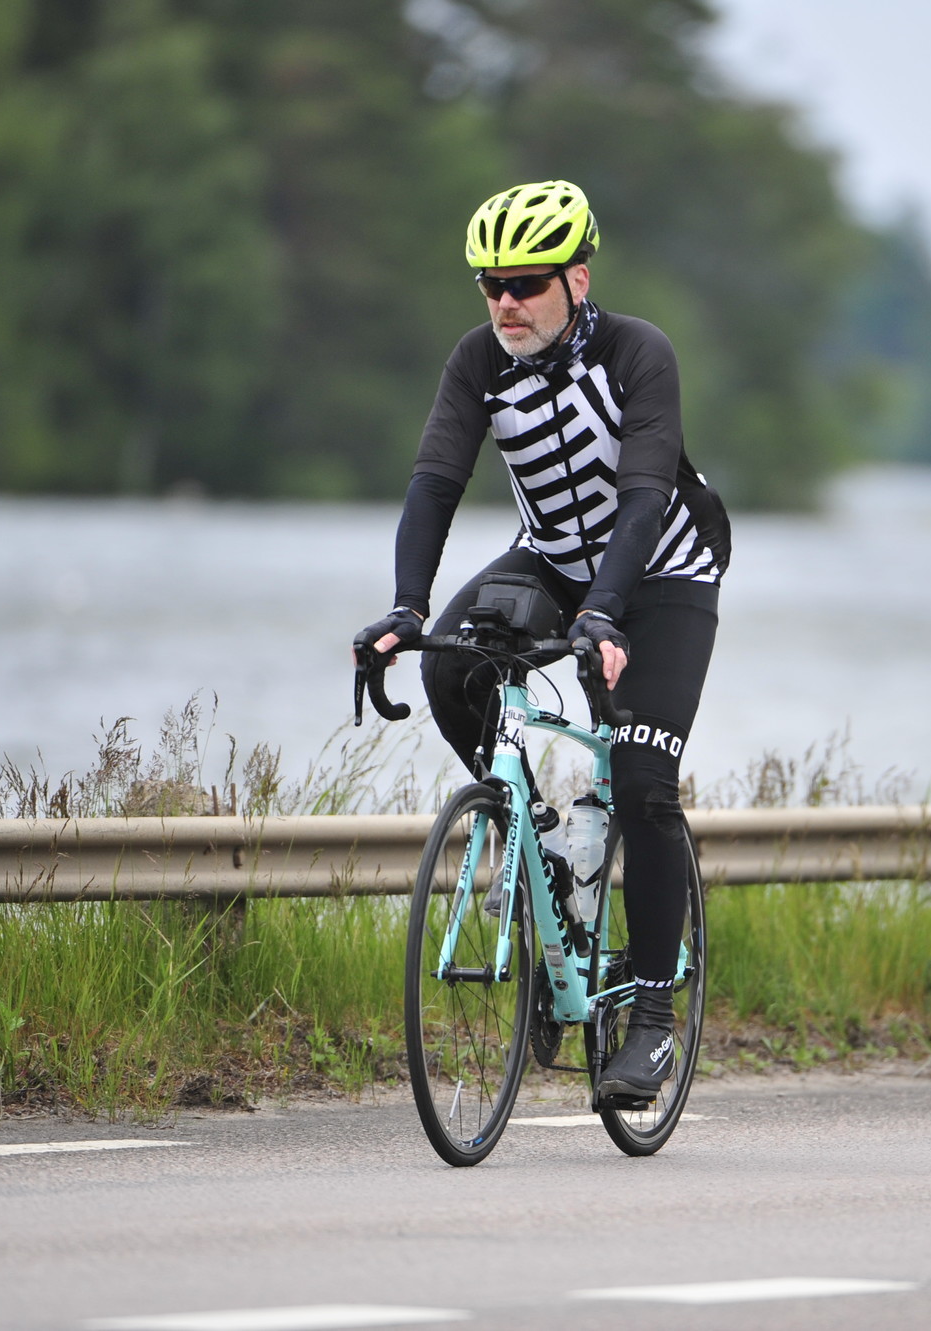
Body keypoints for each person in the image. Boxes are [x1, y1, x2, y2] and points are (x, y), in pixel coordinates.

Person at [355, 180, 729, 1100]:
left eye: (525, 282)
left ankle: (652, 1019)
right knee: (451, 668)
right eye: (491, 284)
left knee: (642, 784)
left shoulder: (638, 353)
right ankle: (538, 848)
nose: (506, 303)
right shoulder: (479, 359)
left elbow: (644, 495)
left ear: (577, 279)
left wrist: (606, 612)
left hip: (664, 571)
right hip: (555, 559)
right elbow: (435, 480)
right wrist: (406, 606)